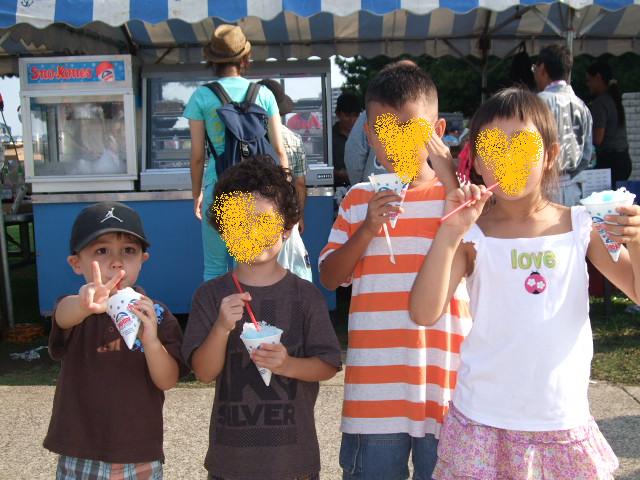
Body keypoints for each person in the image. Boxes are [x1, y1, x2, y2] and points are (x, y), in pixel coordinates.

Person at [410, 88, 628, 479]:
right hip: (482, 419)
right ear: (476, 161)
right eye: (494, 147)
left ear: (550, 155)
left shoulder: (583, 225)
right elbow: (424, 311)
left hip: (561, 421)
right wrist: (449, 233)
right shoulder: (472, 234)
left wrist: (638, 240)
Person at [319, 62, 468, 480]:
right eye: (383, 131)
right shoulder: (359, 198)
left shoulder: (458, 198)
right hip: (374, 394)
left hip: (446, 389)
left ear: (437, 132)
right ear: (368, 134)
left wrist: (450, 179)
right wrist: (366, 229)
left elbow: (481, 255)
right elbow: (330, 277)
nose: (395, 142)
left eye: (410, 130)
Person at [181, 157, 342, 480]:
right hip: (230, 464)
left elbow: (327, 364)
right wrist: (221, 327)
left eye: (262, 222)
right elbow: (203, 372)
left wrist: (287, 365)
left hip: (293, 463)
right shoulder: (210, 296)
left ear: (286, 229)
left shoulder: (305, 296)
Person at [43, 201, 187, 479]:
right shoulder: (77, 309)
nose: (117, 261)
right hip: (80, 448)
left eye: (129, 251)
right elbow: (62, 315)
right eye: (101, 251)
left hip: (139, 449)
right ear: (76, 263)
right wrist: (85, 304)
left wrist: (152, 342)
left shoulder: (154, 313)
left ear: (143, 259)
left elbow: (167, 380)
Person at [184, 24, 288, 281]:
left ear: (212, 60)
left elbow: (197, 156)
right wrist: (283, 196)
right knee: (255, 264)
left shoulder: (201, 97)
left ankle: (220, 319)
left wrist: (197, 193)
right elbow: (279, 150)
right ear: (245, 58)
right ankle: (257, 320)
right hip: (259, 193)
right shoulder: (263, 94)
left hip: (217, 187)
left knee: (215, 267)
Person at [533, 44, 593, 206]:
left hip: (541, 188)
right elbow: (587, 155)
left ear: (542, 69)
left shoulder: (536, 104)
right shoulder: (582, 106)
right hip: (572, 188)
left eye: (535, 68)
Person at [259, 78, 308, 233]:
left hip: (254, 212)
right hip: (285, 214)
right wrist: (298, 215)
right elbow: (299, 183)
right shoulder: (294, 139)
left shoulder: (247, 138)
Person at [586, 62, 632, 187]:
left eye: (589, 80)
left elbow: (598, 139)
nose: (587, 84)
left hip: (610, 160)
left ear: (598, 78)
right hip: (624, 158)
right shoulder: (614, 99)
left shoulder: (600, 102)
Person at [332, 92, 362, 187]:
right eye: (348, 115)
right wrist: (337, 173)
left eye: (356, 115)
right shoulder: (329, 138)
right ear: (338, 114)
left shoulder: (366, 136)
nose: (352, 120)